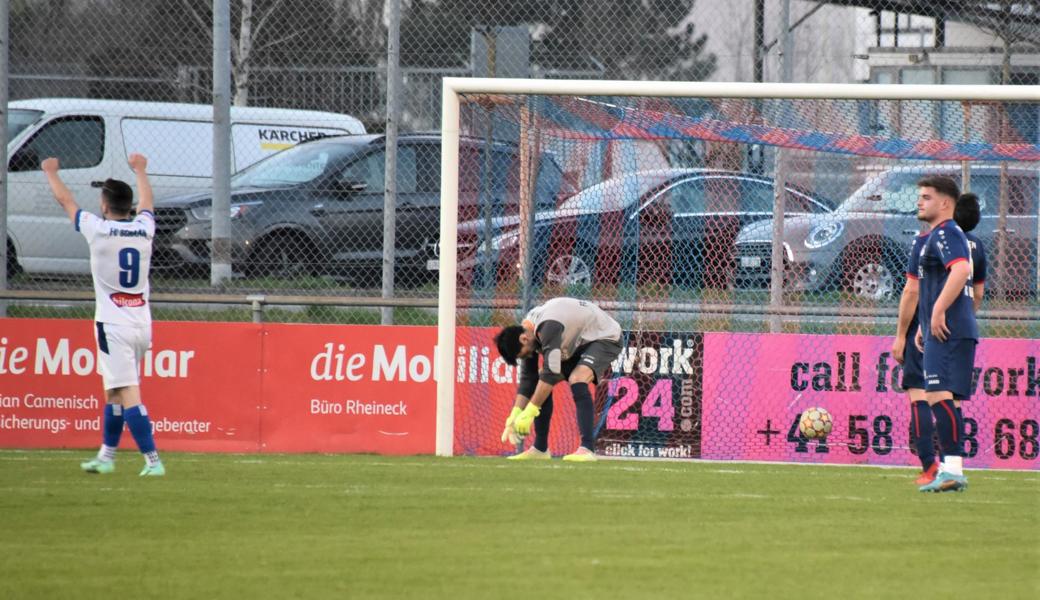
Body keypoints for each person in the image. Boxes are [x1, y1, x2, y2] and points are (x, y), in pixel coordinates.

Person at [43, 154, 165, 476]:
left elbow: (65, 200)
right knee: (113, 390)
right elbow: (149, 203)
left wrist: (51, 172)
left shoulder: (97, 229)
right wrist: (140, 170)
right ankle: (107, 456)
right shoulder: (144, 228)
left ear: (105, 205)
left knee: (127, 393)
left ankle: (153, 461)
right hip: (141, 322)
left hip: (113, 325)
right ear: (131, 207)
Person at [494, 297, 623, 462]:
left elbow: (551, 372)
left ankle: (587, 448)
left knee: (578, 378)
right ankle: (540, 449)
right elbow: (529, 379)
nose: (528, 356)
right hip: (577, 343)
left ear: (523, 339)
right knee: (541, 380)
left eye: (524, 354)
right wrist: (515, 413)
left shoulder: (548, 328)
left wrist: (530, 412)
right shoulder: (528, 332)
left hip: (605, 338)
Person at [912, 176, 978, 492]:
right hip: (944, 330)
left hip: (948, 329)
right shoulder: (940, 235)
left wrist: (937, 312)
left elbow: (962, 270)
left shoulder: (945, 232)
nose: (919, 201)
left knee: (938, 397)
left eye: (926, 197)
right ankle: (951, 470)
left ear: (945, 203)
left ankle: (952, 470)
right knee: (943, 399)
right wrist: (925, 324)